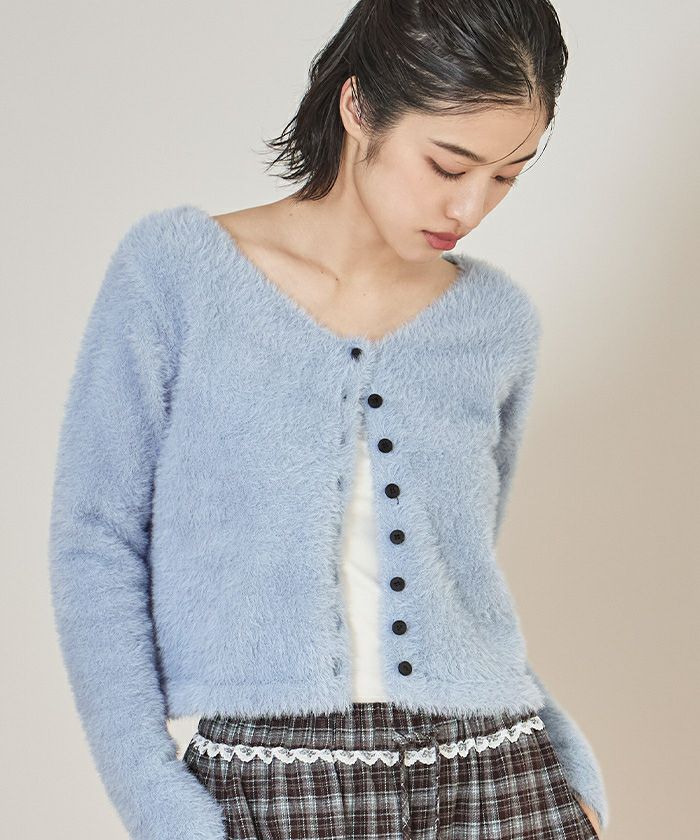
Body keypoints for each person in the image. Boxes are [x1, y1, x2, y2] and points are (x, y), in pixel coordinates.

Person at [48, 1, 609, 839]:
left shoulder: (496, 324)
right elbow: (95, 540)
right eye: (447, 164)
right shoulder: (178, 277)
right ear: (357, 108)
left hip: (502, 776)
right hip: (273, 784)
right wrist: (155, 801)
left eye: (506, 177)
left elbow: (462, 576)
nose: (469, 208)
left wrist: (574, 775)